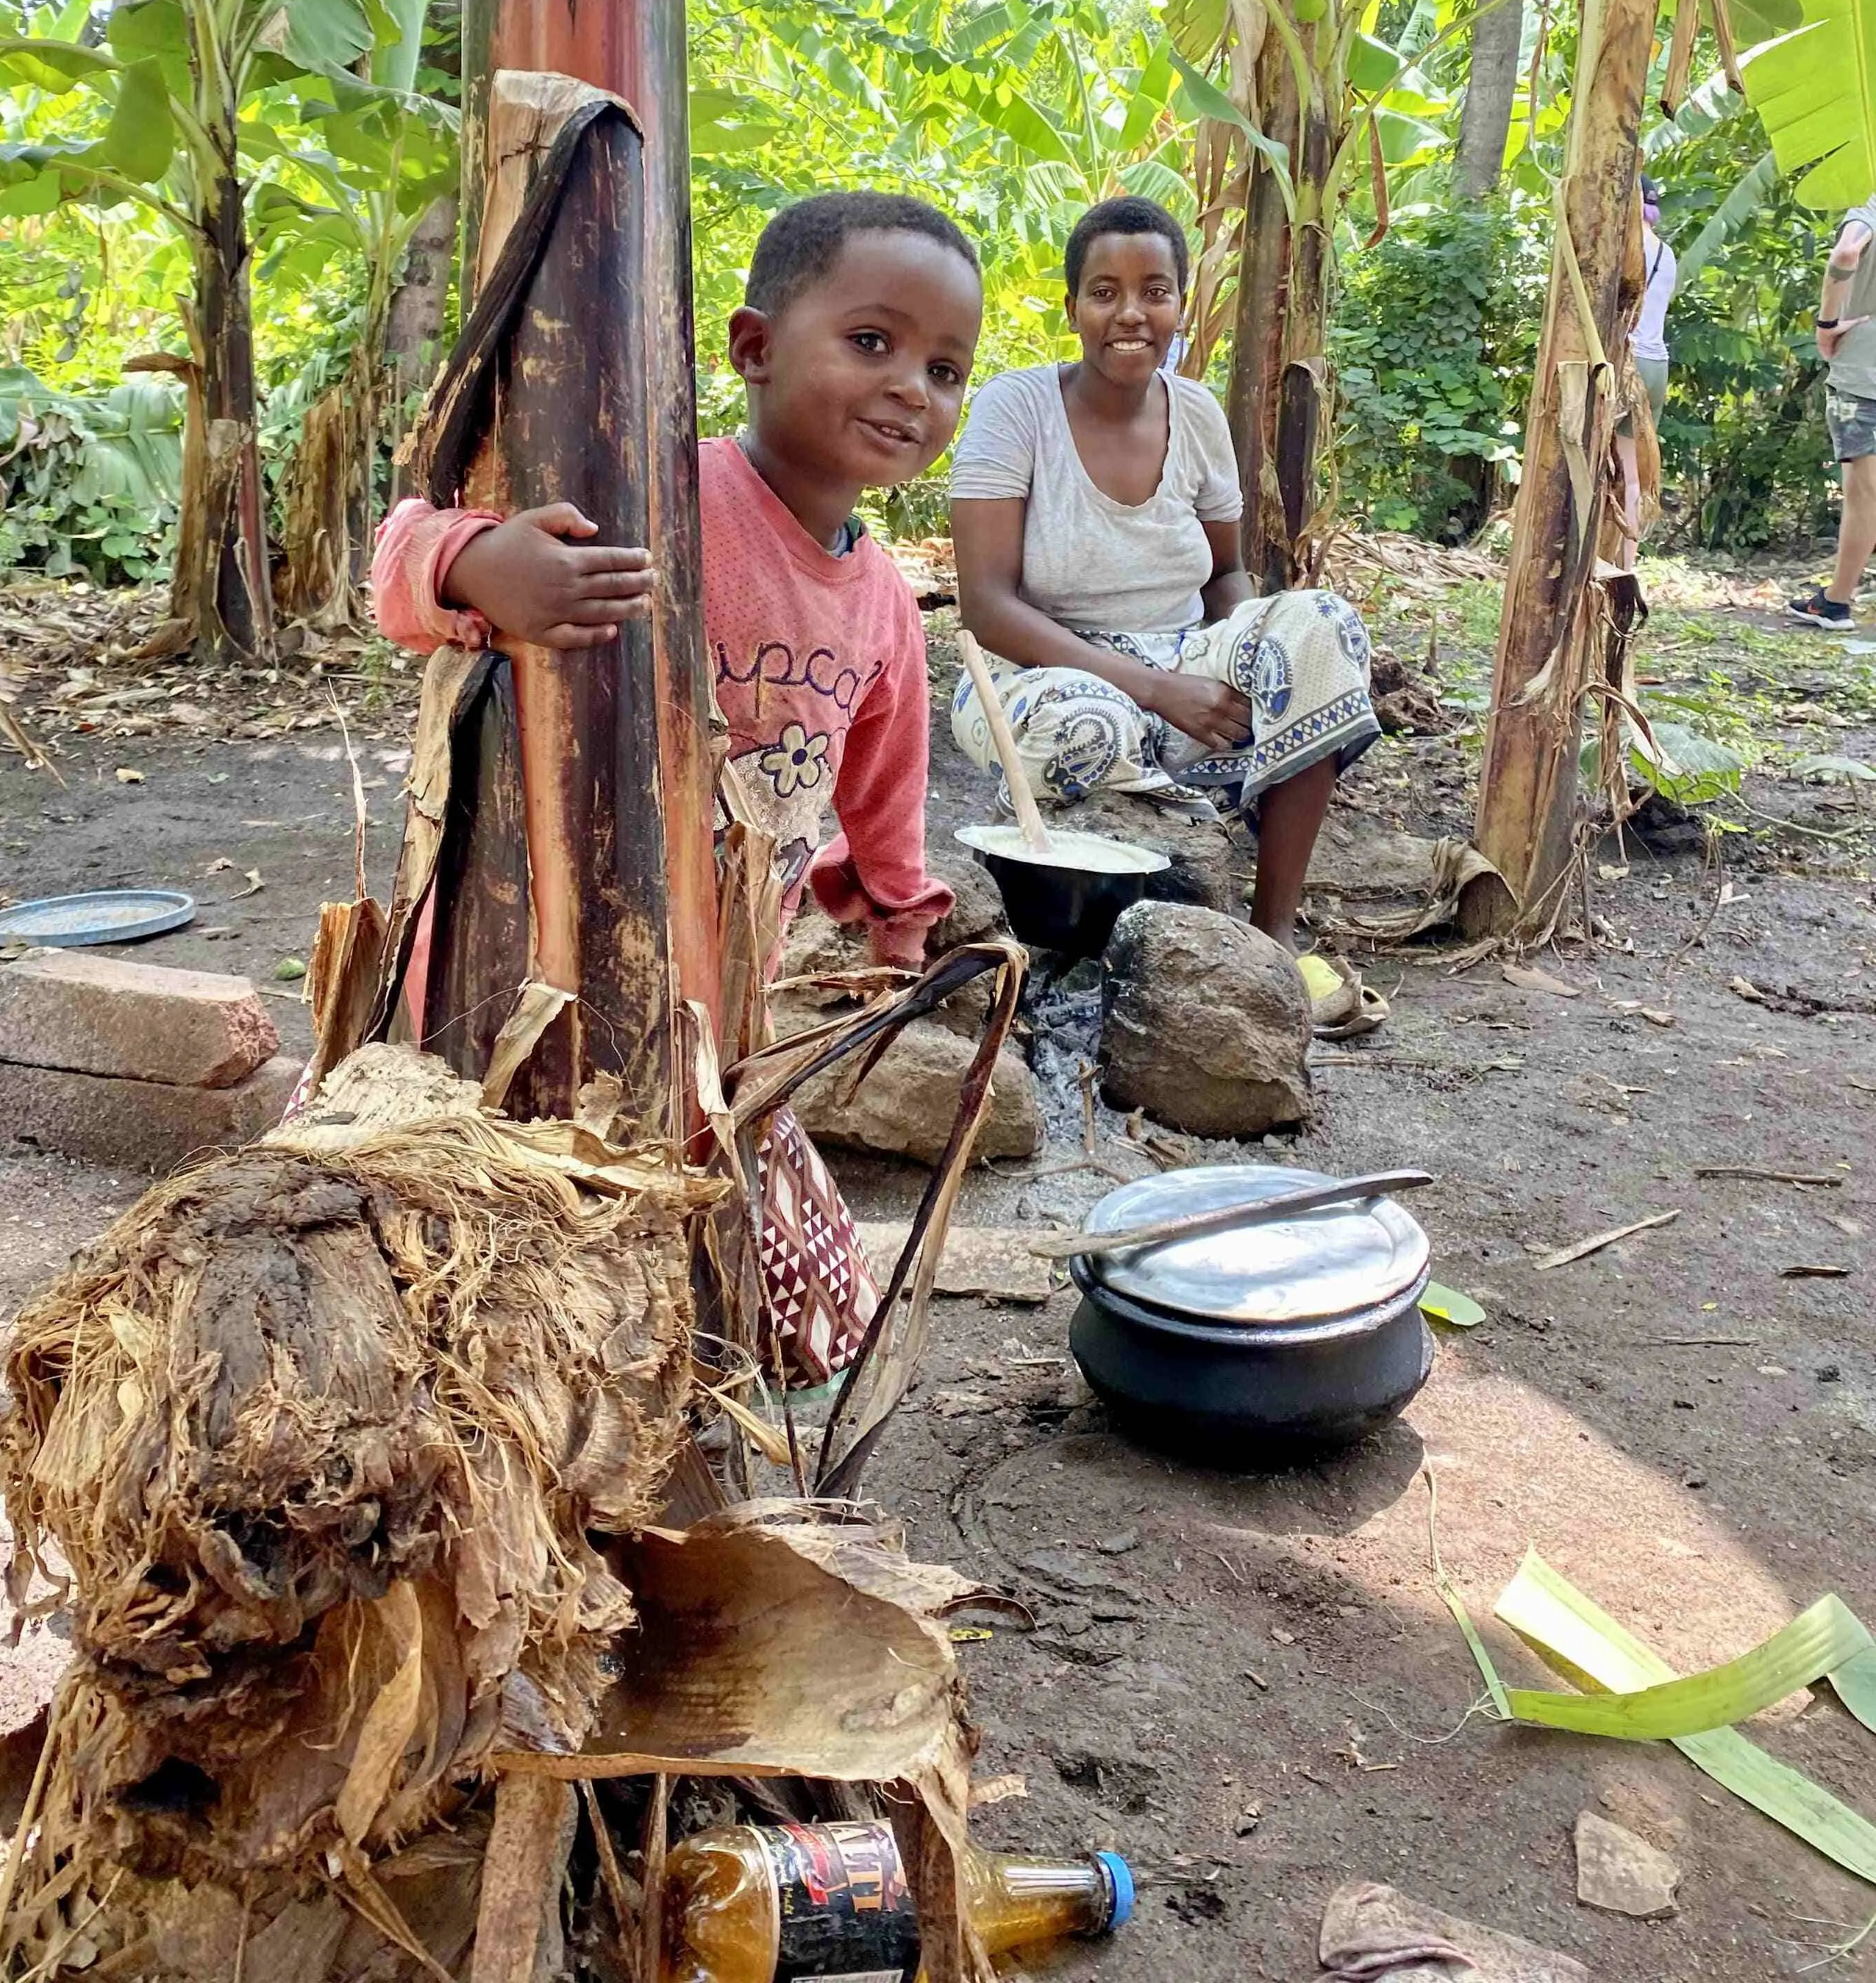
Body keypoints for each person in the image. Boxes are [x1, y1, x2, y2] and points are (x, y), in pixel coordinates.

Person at [370, 187, 985, 1381]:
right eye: (872, 342)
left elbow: (881, 795)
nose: (914, 385)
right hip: (516, 977)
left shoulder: (884, 609)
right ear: (752, 349)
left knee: (793, 1325)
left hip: (710, 1011)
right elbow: (393, 562)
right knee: (448, 1272)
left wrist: (900, 921)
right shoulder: (661, 495)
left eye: (945, 367)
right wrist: (477, 561)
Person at [948, 194, 1379, 1011]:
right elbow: (986, 605)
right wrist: (1159, 693)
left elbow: (1226, 576)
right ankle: (1111, 931)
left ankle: (1266, 937)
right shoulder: (1016, 409)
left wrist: (1250, 670)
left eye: (1155, 290)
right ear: (1072, 306)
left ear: (1182, 304)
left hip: (1180, 660)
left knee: (1321, 625)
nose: (1131, 313)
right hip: (1032, 670)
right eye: (1104, 290)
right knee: (1087, 728)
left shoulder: (1200, 415)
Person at [1790, 187, 1876, 627]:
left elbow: (1845, 255)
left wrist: (1826, 324)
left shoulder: (1869, 205)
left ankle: (1837, 601)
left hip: (1865, 372)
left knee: (1865, 494)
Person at [1615, 174, 1676, 573]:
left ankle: (1620, 564)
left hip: (1629, 365)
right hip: (1658, 366)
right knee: (1636, 473)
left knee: (1617, 474)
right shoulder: (1666, 253)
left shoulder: (1625, 249)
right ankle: (1626, 561)